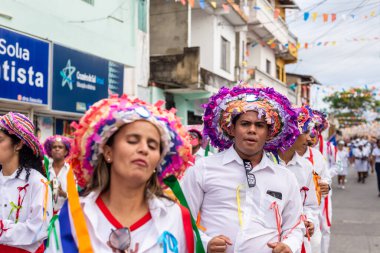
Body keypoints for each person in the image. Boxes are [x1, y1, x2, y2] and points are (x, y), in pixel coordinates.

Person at [58, 95, 195, 253]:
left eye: (152, 146)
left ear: (158, 161)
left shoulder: (176, 216)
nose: (144, 149)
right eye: (132, 141)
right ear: (108, 152)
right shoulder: (75, 213)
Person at [182, 86, 305, 253]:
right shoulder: (203, 168)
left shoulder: (285, 177)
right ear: (231, 129)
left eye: (260, 125)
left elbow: (295, 225)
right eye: (245, 124)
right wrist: (205, 242)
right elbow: (181, 218)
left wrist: (289, 245)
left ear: (269, 133)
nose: (252, 130)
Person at [0, 112, 52, 252]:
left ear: (18, 145)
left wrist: (2, 229)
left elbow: (39, 229)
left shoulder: (38, 183)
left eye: (0, 139)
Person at [275, 106, 319, 253]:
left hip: (294, 238)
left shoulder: (306, 166)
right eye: (305, 132)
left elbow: (311, 204)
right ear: (290, 131)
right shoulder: (264, 162)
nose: (309, 138)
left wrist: (310, 220)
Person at [43, 135, 71, 253]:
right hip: (45, 219)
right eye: (54, 147)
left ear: (66, 151)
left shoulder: (71, 171)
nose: (57, 149)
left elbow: (77, 198)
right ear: (50, 150)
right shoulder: (44, 169)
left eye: (60, 147)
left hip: (64, 218)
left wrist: (62, 193)